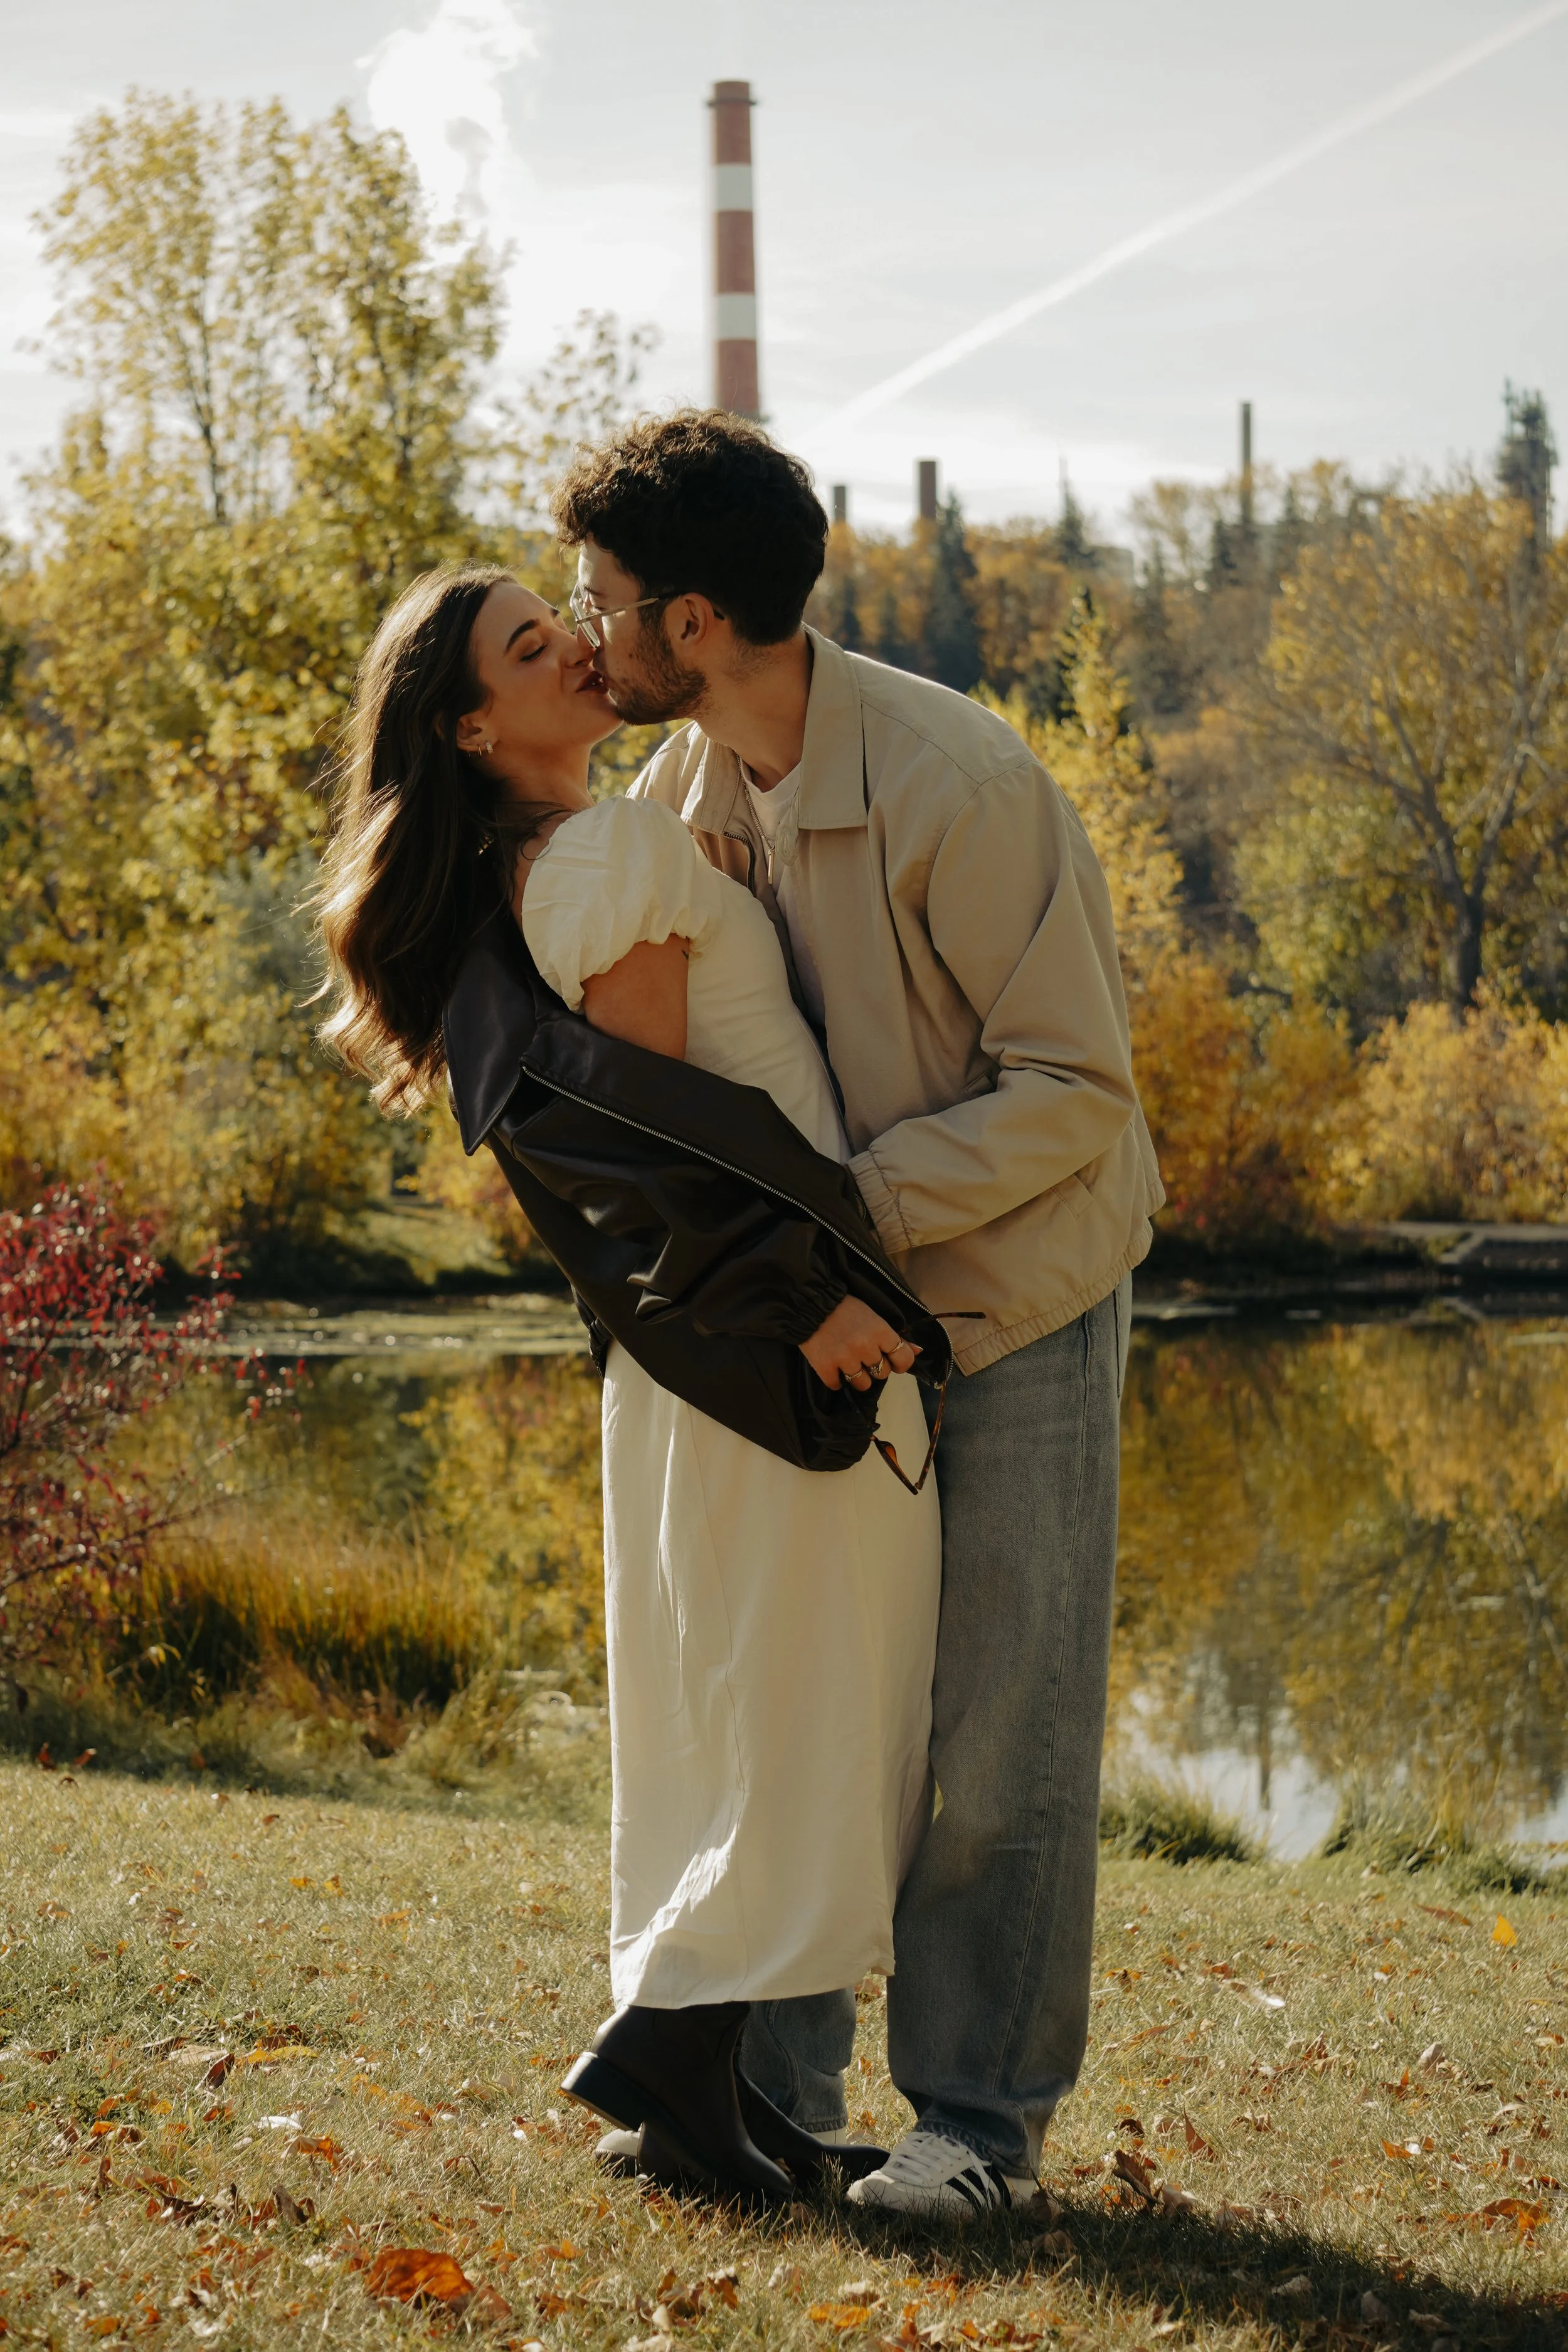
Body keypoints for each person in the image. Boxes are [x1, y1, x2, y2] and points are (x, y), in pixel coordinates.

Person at [551, 411, 1163, 2220]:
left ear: (691, 619)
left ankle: (976, 2128)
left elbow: (1079, 1091)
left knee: (997, 1728)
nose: (580, 634)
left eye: (596, 602)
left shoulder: (957, 783)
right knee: (809, 1692)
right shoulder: (683, 797)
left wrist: (839, 1225)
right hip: (826, 1316)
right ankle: (763, 2084)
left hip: (1016, 1294)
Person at [314, 561, 941, 2205]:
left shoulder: (557, 855)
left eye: (563, 619)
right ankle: (665, 2057)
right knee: (792, 1708)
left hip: (689, 1352)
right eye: (534, 647)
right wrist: (801, 1301)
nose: (575, 646)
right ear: (471, 723)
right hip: (747, 1340)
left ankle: (705, 2109)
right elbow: (651, 1145)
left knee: (739, 1705)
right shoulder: (606, 853)